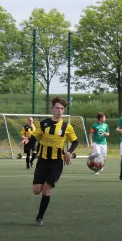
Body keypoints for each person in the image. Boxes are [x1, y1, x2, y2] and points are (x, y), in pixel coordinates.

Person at [21, 96, 78, 226]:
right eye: (57, 108)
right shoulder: (43, 124)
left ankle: (40, 217)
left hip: (56, 162)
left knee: (47, 188)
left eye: (62, 108)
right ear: (52, 109)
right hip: (42, 161)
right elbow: (34, 138)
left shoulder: (66, 126)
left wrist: (69, 152)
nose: (59, 110)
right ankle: (40, 213)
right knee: (36, 190)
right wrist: (26, 142)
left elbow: (75, 142)